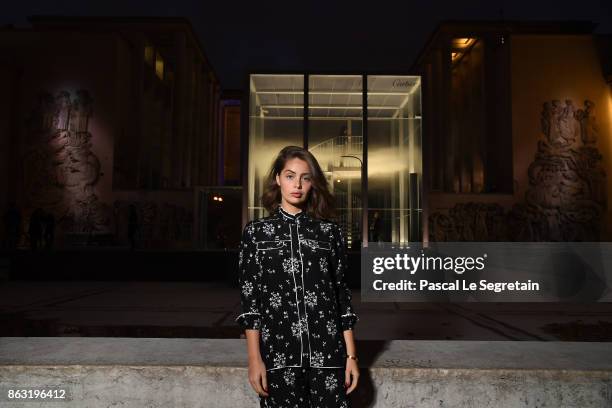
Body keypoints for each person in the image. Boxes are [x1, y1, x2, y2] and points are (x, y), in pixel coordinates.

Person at [236, 146, 359, 407]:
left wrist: (351, 357)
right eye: (290, 176)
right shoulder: (257, 233)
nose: (298, 185)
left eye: (305, 177)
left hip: (328, 355)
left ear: (313, 183)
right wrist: (254, 359)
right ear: (277, 178)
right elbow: (251, 303)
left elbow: (341, 298)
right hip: (279, 356)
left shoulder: (329, 233)